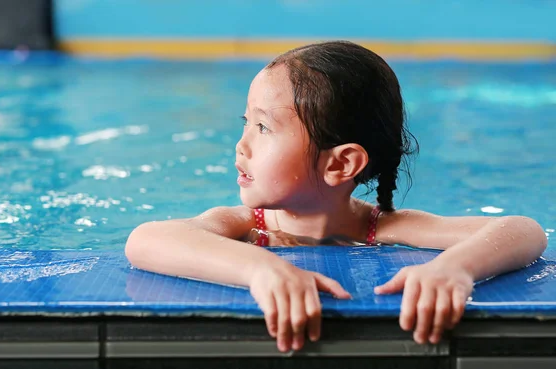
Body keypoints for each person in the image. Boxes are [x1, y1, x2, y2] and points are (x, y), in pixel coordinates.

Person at [125, 41, 547, 353]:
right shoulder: (243, 225)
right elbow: (145, 240)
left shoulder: (383, 227)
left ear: (340, 165)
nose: (241, 146)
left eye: (264, 128)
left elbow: (523, 231)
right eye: (246, 123)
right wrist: (261, 269)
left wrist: (454, 269)